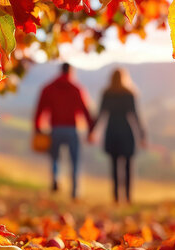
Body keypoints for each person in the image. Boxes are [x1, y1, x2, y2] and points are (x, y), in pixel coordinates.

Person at [34, 63, 92, 199]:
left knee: (54, 157)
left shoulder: (49, 88)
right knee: (74, 160)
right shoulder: (76, 88)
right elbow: (85, 111)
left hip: (55, 128)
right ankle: (75, 190)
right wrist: (91, 129)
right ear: (71, 72)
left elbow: (40, 109)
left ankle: (55, 179)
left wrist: (38, 127)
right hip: (72, 129)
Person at [89, 68, 146, 204]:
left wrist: (92, 131)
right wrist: (142, 135)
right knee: (128, 167)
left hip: (112, 131)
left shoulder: (107, 94)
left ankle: (116, 197)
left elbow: (101, 114)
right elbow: (135, 115)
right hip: (126, 131)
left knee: (114, 166)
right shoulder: (129, 93)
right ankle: (128, 197)